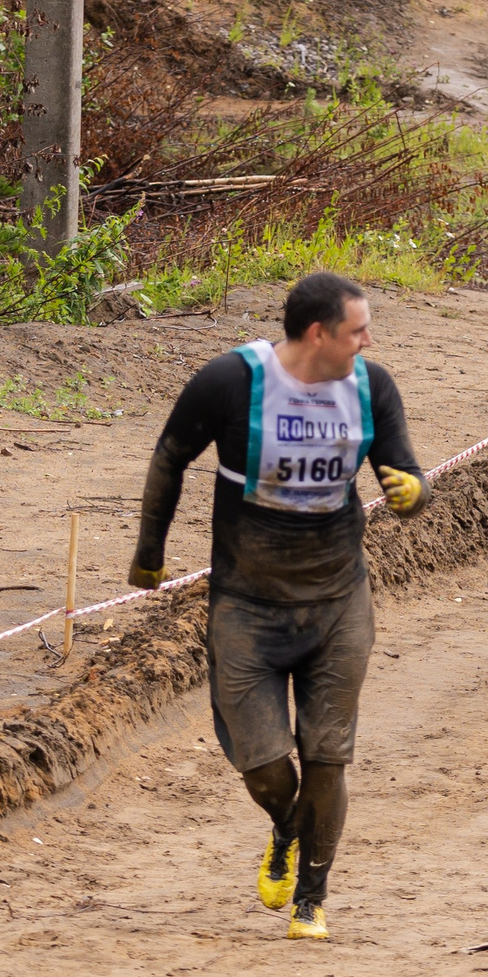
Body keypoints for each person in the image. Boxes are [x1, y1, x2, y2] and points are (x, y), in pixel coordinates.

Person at [131, 273, 429, 941]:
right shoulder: (232, 382)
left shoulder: (371, 386)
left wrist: (416, 490)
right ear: (318, 334)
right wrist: (149, 553)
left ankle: (312, 899)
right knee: (266, 768)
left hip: (336, 604)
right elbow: (170, 456)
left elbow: (407, 471)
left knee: (328, 754)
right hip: (247, 606)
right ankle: (285, 827)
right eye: (358, 331)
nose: (369, 341)